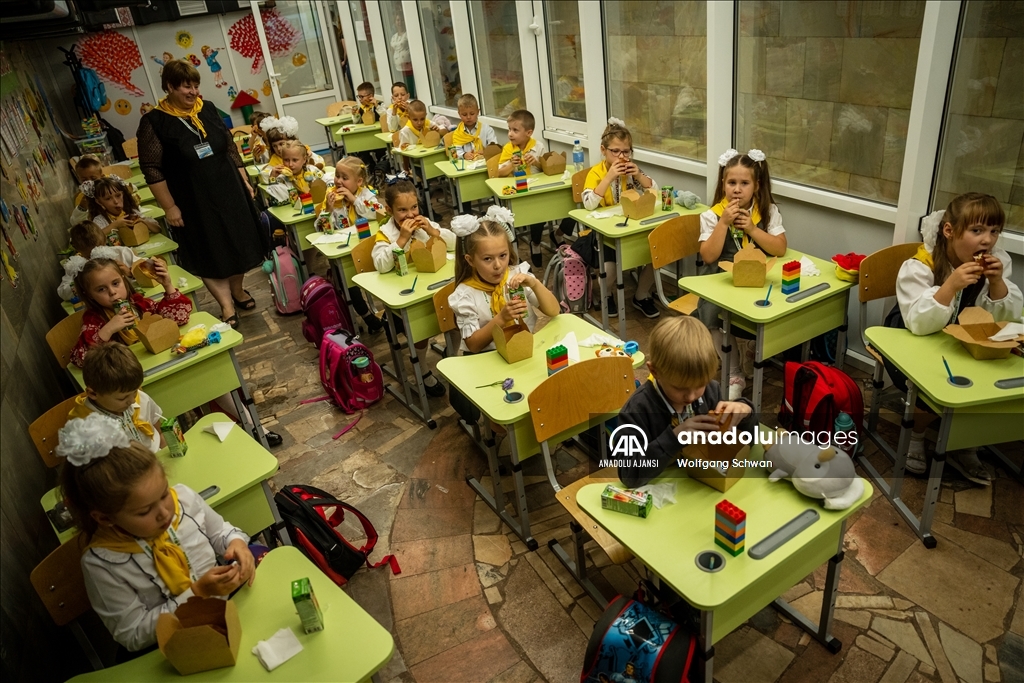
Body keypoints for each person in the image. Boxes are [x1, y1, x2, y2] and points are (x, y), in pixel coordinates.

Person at [57, 413, 255, 652]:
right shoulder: (103, 564)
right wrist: (197, 593)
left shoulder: (183, 499)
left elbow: (220, 531)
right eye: (144, 512)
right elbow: (131, 634)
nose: (164, 512)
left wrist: (236, 543)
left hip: (230, 604)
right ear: (104, 518)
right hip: (175, 640)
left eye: (163, 494)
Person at [887, 192, 1021, 483]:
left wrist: (997, 283)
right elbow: (918, 323)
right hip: (913, 333)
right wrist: (950, 285)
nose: (987, 240)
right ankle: (916, 437)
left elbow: (1003, 318)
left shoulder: (998, 262)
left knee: (986, 376)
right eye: (977, 231)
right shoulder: (920, 265)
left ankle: (964, 445)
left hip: (962, 336)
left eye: (994, 231)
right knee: (929, 380)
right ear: (949, 231)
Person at [137, 59, 267, 327]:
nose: (193, 91)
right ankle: (226, 304)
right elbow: (151, 168)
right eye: (186, 86)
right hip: (192, 199)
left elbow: (229, 146)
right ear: (170, 86)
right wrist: (170, 207)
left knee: (238, 243)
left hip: (228, 190)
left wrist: (244, 180)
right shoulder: (155, 122)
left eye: (196, 85)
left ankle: (237, 289)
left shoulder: (206, 109)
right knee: (208, 250)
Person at [616, 316, 756, 488]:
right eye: (680, 388)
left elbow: (744, 443)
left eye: (699, 385)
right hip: (659, 490)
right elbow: (629, 475)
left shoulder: (711, 392)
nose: (690, 397)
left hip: (698, 488)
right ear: (655, 371)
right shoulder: (637, 411)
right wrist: (674, 438)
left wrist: (745, 412)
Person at [698, 148, 787, 400]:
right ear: (723, 184)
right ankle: (733, 370)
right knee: (712, 312)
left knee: (771, 304)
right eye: (731, 183)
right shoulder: (711, 215)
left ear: (756, 186)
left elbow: (779, 248)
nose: (737, 189)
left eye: (744, 183)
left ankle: (751, 348)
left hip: (756, 276)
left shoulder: (767, 211)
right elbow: (708, 256)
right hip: (720, 276)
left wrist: (752, 228)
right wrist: (723, 223)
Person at [372, 178, 457, 396]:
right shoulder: (386, 235)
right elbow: (381, 265)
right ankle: (423, 368)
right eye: (402, 210)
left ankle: (453, 355)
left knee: (457, 313)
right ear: (389, 210)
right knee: (421, 330)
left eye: (414, 207)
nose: (410, 215)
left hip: (433, 286)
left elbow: (455, 242)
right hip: (409, 296)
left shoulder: (424, 225)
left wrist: (432, 231)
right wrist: (401, 240)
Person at [448, 206, 559, 354]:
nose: (498, 265)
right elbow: (473, 345)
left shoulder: (517, 276)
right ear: (470, 260)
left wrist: (535, 284)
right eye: (487, 259)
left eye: (503, 255)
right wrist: (501, 318)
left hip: (522, 351)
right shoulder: (465, 294)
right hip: (487, 360)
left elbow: (554, 311)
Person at [582, 118, 659, 319]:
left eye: (626, 151)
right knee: (609, 269)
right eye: (615, 151)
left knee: (658, 253)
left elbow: (656, 192)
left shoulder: (631, 170)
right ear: (603, 150)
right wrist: (608, 178)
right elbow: (589, 203)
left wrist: (640, 177)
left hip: (631, 226)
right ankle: (606, 294)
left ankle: (641, 295)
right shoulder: (596, 172)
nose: (621, 156)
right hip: (603, 233)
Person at [69, 258, 192, 368]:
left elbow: (179, 318)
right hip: (130, 373)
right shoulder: (94, 320)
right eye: (101, 289)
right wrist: (109, 329)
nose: (112, 292)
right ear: (89, 295)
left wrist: (167, 285)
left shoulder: (139, 304)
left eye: (115, 283)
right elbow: (82, 359)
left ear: (123, 280)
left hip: (162, 361)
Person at [69, 343, 165, 452]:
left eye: (134, 392)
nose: (132, 400)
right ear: (93, 394)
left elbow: (160, 433)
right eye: (122, 398)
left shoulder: (140, 398)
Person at [496, 109, 552, 267]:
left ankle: (535, 243)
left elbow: (546, 169)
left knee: (539, 214)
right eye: (509, 130)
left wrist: (536, 162)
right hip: (516, 191)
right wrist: (510, 165)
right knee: (520, 216)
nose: (510, 134)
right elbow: (499, 173)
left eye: (515, 130)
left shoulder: (538, 146)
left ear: (529, 132)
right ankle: (514, 252)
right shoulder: (508, 148)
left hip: (536, 190)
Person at [58, 221, 144, 301]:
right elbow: (62, 293)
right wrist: (80, 284)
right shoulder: (76, 267)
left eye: (99, 250)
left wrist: (130, 273)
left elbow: (149, 271)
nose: (95, 257)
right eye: (89, 256)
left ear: (105, 239)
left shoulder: (122, 253)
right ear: (76, 248)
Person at [84, 177, 160, 246]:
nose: (116, 201)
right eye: (108, 199)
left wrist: (141, 220)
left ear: (122, 194)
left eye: (118, 195)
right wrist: (114, 225)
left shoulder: (132, 212)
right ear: (99, 202)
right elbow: (94, 241)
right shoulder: (100, 220)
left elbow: (158, 229)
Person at [314, 156, 383, 233]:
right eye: (337, 176)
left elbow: (379, 213)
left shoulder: (366, 195)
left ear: (359, 181)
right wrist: (328, 210)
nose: (339, 181)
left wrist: (355, 200)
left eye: (344, 178)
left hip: (366, 237)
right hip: (343, 240)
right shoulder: (332, 199)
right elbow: (321, 230)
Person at [70, 157, 140, 225]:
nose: (90, 182)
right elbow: (76, 222)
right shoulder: (83, 199)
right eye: (84, 180)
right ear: (79, 180)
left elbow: (133, 187)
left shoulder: (109, 185)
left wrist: (124, 189)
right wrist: (82, 208)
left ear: (102, 176)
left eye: (93, 178)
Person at [259, 140, 324, 206]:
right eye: (286, 160)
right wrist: (272, 178)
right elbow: (277, 200)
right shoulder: (281, 179)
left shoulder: (312, 170)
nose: (290, 164)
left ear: (304, 159)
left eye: (295, 160)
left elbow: (327, 182)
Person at [451, 94, 497, 161]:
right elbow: (456, 150)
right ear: (459, 114)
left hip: (485, 165)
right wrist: (464, 155)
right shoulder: (457, 133)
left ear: (478, 112)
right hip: (467, 167)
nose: (468, 117)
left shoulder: (487, 130)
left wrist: (486, 152)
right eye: (464, 114)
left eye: (472, 114)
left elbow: (494, 148)